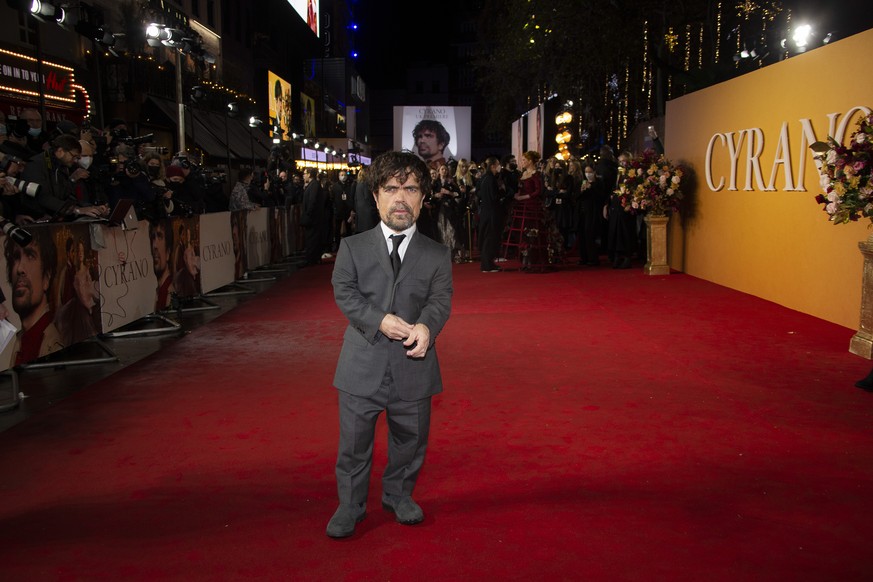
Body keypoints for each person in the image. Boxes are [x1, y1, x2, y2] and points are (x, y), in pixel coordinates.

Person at [327, 150, 453, 539]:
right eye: (392, 188)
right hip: (360, 366)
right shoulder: (353, 247)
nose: (401, 197)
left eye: (411, 188)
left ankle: (399, 496)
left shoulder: (436, 254)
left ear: (423, 197)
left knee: (410, 443)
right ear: (376, 195)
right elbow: (344, 292)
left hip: (413, 366)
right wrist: (379, 320)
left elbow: (440, 300)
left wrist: (428, 328)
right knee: (353, 446)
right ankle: (350, 506)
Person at [4, 227, 64, 366]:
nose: (19, 269)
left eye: (30, 255)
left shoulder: (52, 343)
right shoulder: (21, 340)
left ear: (47, 279)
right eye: (16, 257)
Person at [607, 151, 638, 269]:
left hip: (626, 207)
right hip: (615, 206)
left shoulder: (632, 175)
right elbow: (613, 188)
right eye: (619, 161)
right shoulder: (618, 174)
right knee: (615, 232)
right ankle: (617, 255)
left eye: (624, 161)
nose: (621, 163)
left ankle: (627, 257)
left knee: (626, 232)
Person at [577, 163, 608, 266]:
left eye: (590, 172)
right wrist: (582, 190)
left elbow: (601, 196)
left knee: (590, 234)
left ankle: (593, 258)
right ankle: (583, 257)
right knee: (582, 234)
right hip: (583, 211)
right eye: (586, 172)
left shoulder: (599, 183)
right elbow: (578, 198)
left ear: (594, 172)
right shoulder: (583, 182)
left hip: (593, 212)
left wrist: (591, 188)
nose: (588, 174)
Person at [476, 156, 503, 272]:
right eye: (498, 165)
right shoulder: (491, 179)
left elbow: (478, 193)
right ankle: (487, 265)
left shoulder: (483, 178)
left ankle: (489, 264)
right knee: (489, 238)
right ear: (492, 166)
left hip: (485, 212)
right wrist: (502, 191)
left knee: (487, 238)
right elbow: (494, 197)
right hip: (491, 213)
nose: (499, 167)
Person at [300, 167, 325, 266]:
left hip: (313, 218)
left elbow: (312, 201)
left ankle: (311, 259)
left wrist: (308, 214)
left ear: (310, 174)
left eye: (305, 173)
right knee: (312, 238)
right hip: (313, 217)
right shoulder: (312, 185)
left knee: (311, 238)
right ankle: (313, 258)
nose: (303, 175)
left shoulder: (314, 185)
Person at [149, 220, 175, 312]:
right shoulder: (156, 291)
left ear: (168, 252)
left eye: (159, 237)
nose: (154, 245)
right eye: (152, 237)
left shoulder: (170, 292)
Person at [353, 165, 379, 233]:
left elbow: (355, 198)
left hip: (360, 211)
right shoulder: (366, 184)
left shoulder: (358, 184)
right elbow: (368, 197)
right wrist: (374, 206)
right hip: (368, 212)